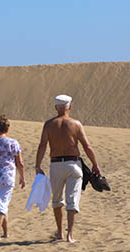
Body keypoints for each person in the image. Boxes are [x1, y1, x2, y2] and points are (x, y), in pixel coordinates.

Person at [34, 94, 101, 243]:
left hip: (56, 164)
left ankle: (59, 232)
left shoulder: (49, 124)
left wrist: (37, 165)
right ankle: (70, 234)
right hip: (73, 164)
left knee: (57, 200)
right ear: (69, 107)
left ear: (56, 107)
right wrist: (95, 164)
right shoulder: (76, 124)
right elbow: (87, 146)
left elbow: (42, 145)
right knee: (72, 199)